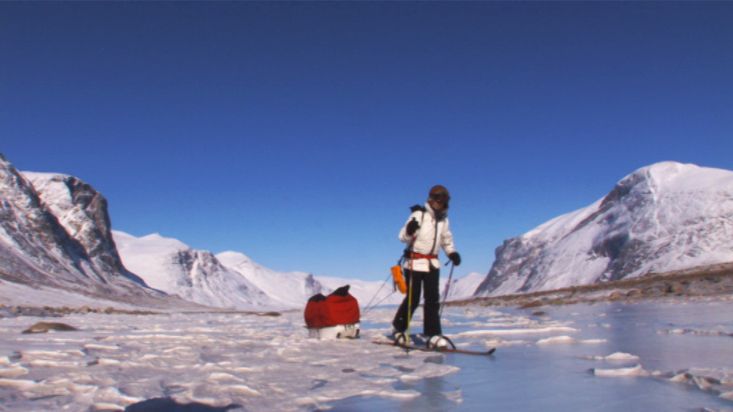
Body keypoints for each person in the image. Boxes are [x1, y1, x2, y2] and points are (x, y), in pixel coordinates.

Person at [392, 184, 461, 349]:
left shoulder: (444, 219)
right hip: (414, 263)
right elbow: (402, 237)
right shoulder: (419, 214)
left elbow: (446, 239)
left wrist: (451, 253)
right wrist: (409, 230)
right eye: (440, 200)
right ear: (432, 199)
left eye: (445, 200)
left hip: (432, 264)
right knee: (413, 299)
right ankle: (399, 329)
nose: (442, 203)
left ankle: (433, 334)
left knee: (432, 300)